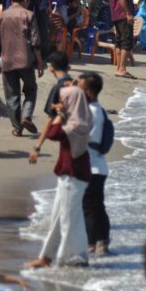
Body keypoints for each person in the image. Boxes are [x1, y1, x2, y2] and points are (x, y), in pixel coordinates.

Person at [26, 86, 92, 268]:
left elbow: (54, 133)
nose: (62, 103)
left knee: (69, 219)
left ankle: (74, 257)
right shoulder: (80, 116)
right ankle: (47, 257)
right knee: (58, 217)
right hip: (70, 172)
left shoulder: (77, 121)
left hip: (74, 174)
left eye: (65, 100)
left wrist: (60, 114)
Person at [0, 0, 44, 137]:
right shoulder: (29, 14)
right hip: (25, 60)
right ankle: (26, 116)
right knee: (31, 90)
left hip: (7, 61)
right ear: (26, 0)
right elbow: (35, 41)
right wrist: (40, 62)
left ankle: (17, 128)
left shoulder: (2, 16)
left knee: (11, 96)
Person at [78, 72, 111, 256]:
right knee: (97, 205)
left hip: (90, 165)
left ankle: (91, 244)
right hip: (99, 165)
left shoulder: (89, 112)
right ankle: (102, 241)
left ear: (89, 92)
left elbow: (79, 135)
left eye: (80, 89)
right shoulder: (100, 110)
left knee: (88, 206)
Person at [108, 0, 136, 79]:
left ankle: (119, 67)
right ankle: (122, 68)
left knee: (119, 40)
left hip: (115, 11)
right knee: (126, 40)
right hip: (121, 12)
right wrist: (128, 13)